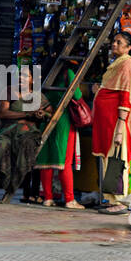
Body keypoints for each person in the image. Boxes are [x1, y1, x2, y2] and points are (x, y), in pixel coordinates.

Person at [91, 28, 131, 213]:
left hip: (116, 124)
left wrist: (121, 126)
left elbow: (125, 97)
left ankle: (119, 202)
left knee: (117, 160)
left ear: (128, 47)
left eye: (119, 42)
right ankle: (111, 199)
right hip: (107, 123)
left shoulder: (127, 64)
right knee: (108, 160)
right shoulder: (117, 63)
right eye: (114, 41)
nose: (114, 44)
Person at [0, 65, 50, 201]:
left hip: (27, 134)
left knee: (26, 147)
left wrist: (41, 114)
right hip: (8, 132)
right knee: (0, 150)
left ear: (32, 80)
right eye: (20, 75)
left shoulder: (38, 97)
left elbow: (50, 113)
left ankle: (18, 187)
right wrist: (25, 114)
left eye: (25, 76)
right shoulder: (9, 91)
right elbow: (2, 113)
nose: (21, 78)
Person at [36, 68, 84, 209]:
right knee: (65, 161)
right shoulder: (67, 72)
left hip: (46, 118)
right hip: (63, 120)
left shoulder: (45, 72)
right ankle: (70, 200)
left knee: (46, 159)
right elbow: (77, 95)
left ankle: (48, 198)